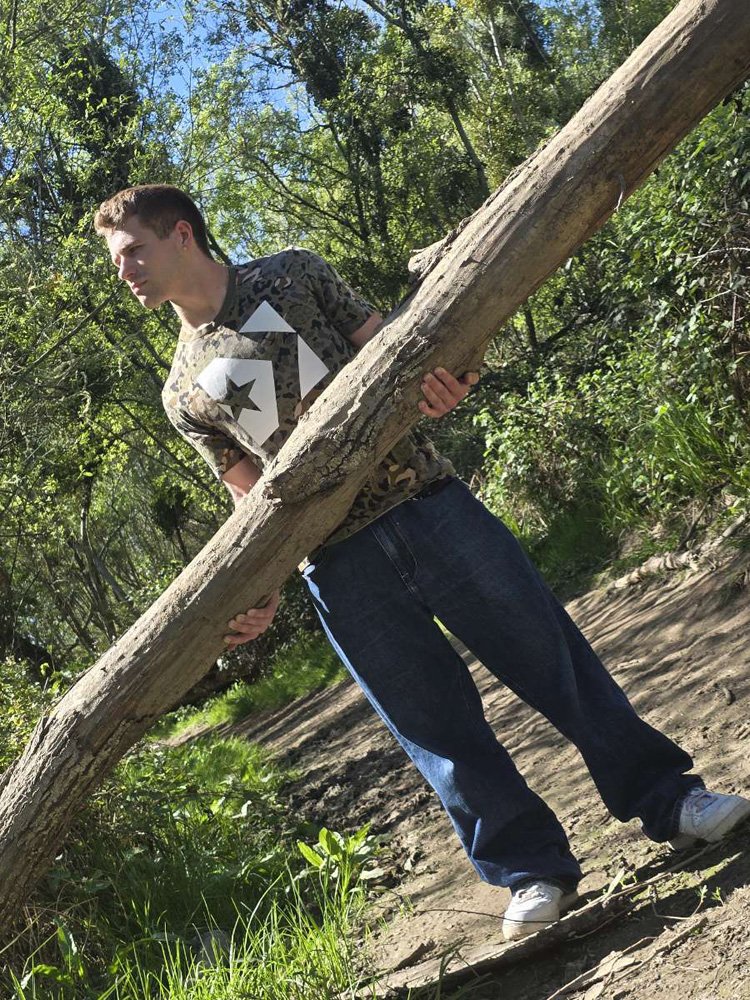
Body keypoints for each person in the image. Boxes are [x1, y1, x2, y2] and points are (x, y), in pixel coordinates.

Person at [95, 184, 750, 941]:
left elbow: (405, 353)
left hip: (431, 506)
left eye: (133, 251)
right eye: (118, 260)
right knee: (436, 730)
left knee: (553, 661)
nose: (125, 272)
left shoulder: (292, 275)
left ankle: (671, 801)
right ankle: (530, 871)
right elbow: (251, 498)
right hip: (338, 569)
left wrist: (449, 384)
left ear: (182, 235)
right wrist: (260, 587)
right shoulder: (181, 390)